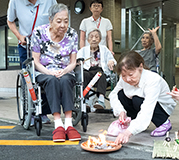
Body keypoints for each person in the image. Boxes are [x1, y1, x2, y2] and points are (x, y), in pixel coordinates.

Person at [31, 3, 81, 142]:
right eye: (59, 21)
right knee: (52, 80)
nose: (63, 25)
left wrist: (65, 70)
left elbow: (73, 62)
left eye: (66, 21)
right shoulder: (39, 33)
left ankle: (69, 125)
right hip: (44, 71)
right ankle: (58, 125)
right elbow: (36, 61)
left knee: (65, 80)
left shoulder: (72, 34)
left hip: (65, 70)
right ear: (50, 20)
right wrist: (49, 72)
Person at [109, 51, 176, 145]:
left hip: (161, 107)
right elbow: (113, 94)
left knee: (137, 99)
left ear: (140, 67)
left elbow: (147, 109)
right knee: (121, 94)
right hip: (139, 102)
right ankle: (134, 122)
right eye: (124, 75)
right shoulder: (124, 77)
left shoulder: (152, 80)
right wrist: (120, 110)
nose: (127, 79)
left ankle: (163, 123)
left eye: (131, 75)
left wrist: (128, 133)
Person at [7, 0, 57, 124]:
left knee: (46, 75)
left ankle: (43, 111)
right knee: (28, 78)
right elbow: (10, 21)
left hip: (45, 47)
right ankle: (28, 112)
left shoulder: (49, 1)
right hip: (26, 45)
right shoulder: (15, 1)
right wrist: (19, 36)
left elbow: (57, 18)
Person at [77, 28, 116, 109]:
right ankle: (86, 101)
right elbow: (77, 62)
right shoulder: (82, 50)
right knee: (84, 75)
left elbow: (112, 60)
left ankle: (101, 100)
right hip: (87, 71)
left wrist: (111, 62)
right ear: (87, 40)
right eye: (91, 37)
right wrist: (79, 63)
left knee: (101, 75)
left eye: (96, 37)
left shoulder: (104, 49)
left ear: (100, 39)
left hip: (99, 71)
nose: (94, 39)